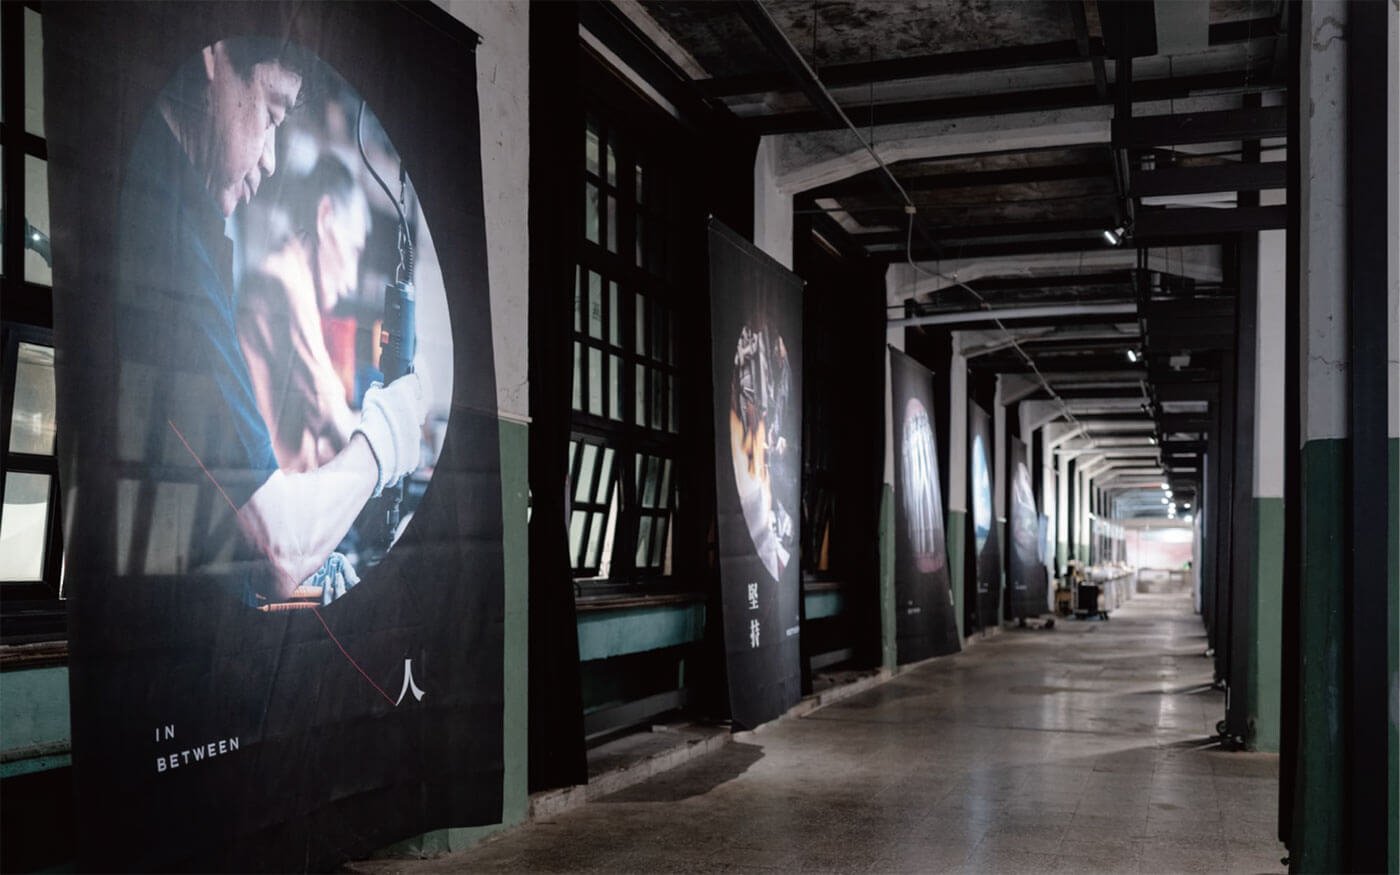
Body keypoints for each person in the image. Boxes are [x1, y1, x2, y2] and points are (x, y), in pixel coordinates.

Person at [116, 38, 424, 606]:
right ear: (214, 56)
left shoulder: (182, 221)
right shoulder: (260, 274)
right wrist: (389, 435)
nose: (271, 159)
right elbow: (328, 425)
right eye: (271, 114)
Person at [237, 157, 370, 473]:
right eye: (354, 251)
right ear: (325, 217)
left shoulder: (293, 282)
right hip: (273, 494)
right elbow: (337, 422)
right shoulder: (283, 281)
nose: (352, 282)